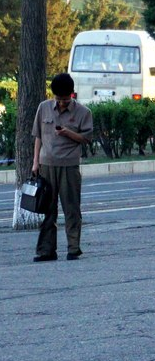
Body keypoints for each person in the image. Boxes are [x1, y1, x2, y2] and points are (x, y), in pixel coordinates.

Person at [31, 73, 93, 262]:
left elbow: (86, 139)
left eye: (65, 99)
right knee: (47, 210)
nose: (62, 103)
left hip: (69, 166)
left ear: (72, 94)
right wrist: (35, 162)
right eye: (58, 99)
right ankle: (46, 251)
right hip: (46, 165)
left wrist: (68, 133)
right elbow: (38, 136)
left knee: (71, 209)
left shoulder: (83, 112)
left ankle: (73, 248)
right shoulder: (43, 108)